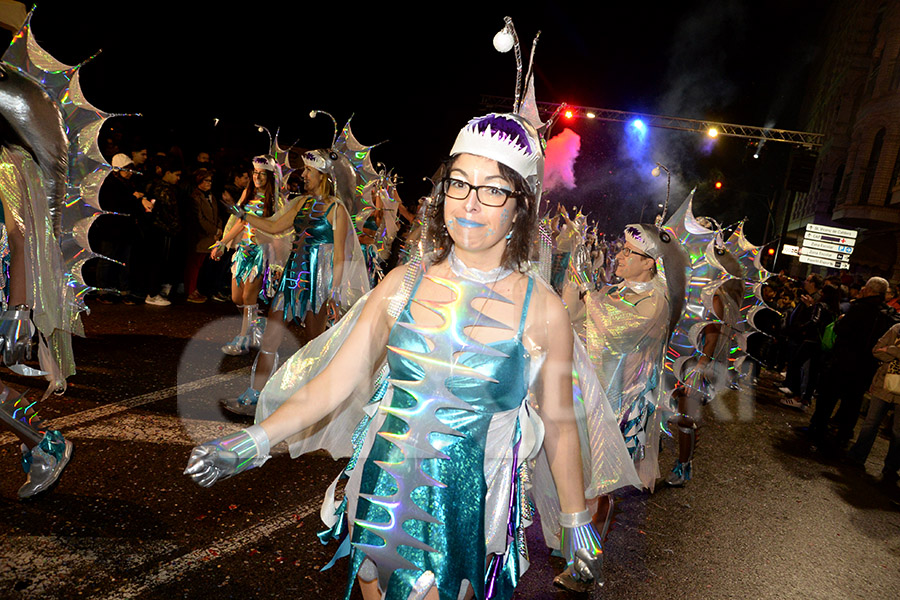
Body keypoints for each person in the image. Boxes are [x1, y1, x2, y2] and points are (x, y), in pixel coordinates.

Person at [186, 112, 605, 598]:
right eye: (460, 184)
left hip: (465, 509)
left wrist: (574, 519)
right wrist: (253, 443)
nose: (470, 202)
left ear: (520, 207)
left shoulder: (543, 310)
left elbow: (559, 424)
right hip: (379, 491)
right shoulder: (400, 287)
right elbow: (334, 382)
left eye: (493, 189)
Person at [219, 149, 368, 415]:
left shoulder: (336, 209)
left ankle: (317, 402)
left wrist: (334, 293)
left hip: (318, 282)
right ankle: (255, 397)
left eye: (309, 171)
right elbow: (275, 227)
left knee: (314, 343)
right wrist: (243, 215)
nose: (304, 174)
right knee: (270, 339)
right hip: (293, 277)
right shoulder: (300, 203)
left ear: (323, 175)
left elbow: (341, 255)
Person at [805, 277, 895, 446]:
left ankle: (817, 429)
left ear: (869, 290)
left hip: (843, 361)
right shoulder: (887, 314)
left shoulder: (859, 309)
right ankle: (843, 435)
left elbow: (841, 329)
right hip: (866, 366)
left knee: (828, 398)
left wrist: (840, 321)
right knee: (852, 402)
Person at [210, 156, 278, 354]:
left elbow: (280, 228)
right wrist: (222, 243)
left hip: (261, 253)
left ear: (270, 176)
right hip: (243, 251)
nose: (257, 177)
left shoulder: (276, 199)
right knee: (236, 297)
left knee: (249, 297)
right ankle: (254, 324)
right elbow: (240, 223)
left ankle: (243, 340)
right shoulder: (247, 194)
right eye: (255, 173)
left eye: (262, 174)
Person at [847, 322, 900, 484]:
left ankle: (891, 468)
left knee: (898, 431)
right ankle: (857, 456)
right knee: (870, 423)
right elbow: (877, 351)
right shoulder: (896, 329)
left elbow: (886, 351)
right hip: (882, 384)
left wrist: (893, 351)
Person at [184, 169, 219, 303]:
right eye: (206, 180)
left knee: (201, 264)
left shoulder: (211, 196)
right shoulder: (195, 197)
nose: (209, 183)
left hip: (210, 236)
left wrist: (219, 228)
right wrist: (214, 230)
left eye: (210, 181)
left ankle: (196, 289)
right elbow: (200, 219)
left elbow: (216, 214)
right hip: (200, 237)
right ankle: (191, 290)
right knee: (194, 264)